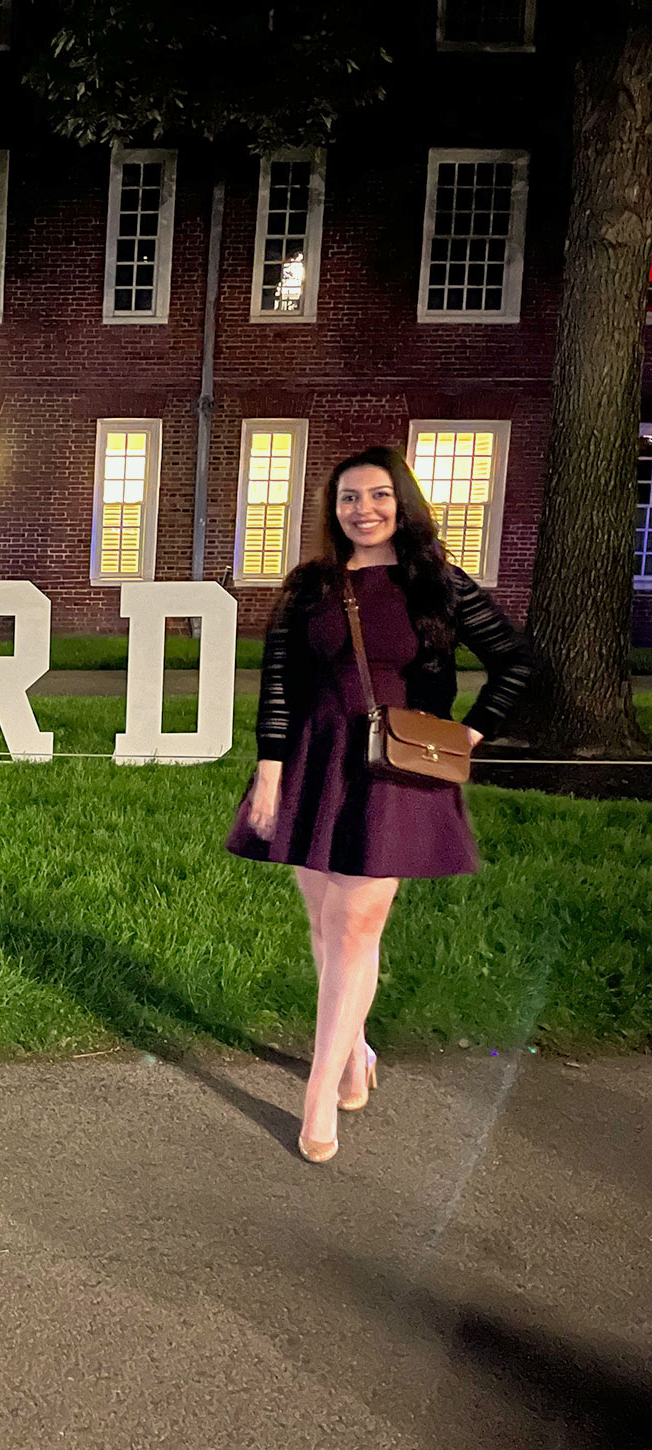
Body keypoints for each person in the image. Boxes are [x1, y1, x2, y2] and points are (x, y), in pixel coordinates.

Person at [226, 447, 533, 1163]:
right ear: (332, 511)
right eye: (347, 499)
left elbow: (517, 660)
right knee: (325, 925)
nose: (362, 509)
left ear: (403, 502)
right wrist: (269, 770)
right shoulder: (310, 587)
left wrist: (468, 732)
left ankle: (317, 1097)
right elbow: (279, 683)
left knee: (357, 926)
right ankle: (356, 1049)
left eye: (377, 495)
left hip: (397, 767)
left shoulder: (438, 585)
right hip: (317, 762)